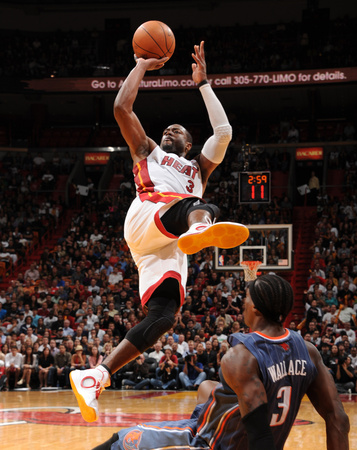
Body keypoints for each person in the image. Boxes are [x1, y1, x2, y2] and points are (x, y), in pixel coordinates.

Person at [70, 41, 249, 422]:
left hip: (167, 246)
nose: (170, 129)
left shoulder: (199, 168)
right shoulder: (149, 152)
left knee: (164, 316)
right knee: (202, 208)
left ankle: (96, 376)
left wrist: (202, 84)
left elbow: (224, 130)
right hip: (149, 214)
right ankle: (202, 227)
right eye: (168, 128)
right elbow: (121, 108)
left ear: (188, 144)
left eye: (179, 130)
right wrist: (140, 65)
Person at [93, 274, 349, 450]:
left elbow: (259, 435)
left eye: (246, 300)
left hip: (211, 442)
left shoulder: (240, 357)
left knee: (121, 440)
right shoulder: (308, 351)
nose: (243, 305)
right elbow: (337, 418)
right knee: (207, 388)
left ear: (257, 309)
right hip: (248, 433)